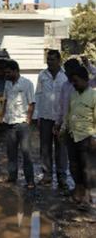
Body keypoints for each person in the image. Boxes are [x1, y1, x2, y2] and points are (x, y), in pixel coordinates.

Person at [60, 66, 96, 209]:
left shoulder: (93, 96)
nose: (74, 84)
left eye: (76, 81)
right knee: (74, 167)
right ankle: (79, 191)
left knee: (87, 169)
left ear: (86, 80)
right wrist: (63, 130)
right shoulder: (73, 95)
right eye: (72, 81)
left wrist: (94, 137)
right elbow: (68, 115)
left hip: (87, 137)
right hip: (72, 136)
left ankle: (87, 197)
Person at [35, 50, 68, 188]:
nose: (49, 62)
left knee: (61, 148)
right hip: (45, 117)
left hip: (60, 119)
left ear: (59, 60)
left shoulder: (65, 76)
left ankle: (62, 177)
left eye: (52, 59)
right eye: (48, 59)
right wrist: (37, 116)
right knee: (45, 147)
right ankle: (47, 175)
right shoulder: (42, 75)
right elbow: (38, 95)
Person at [3, 60, 35, 189]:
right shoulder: (7, 84)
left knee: (26, 153)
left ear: (15, 71)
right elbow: (5, 100)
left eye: (8, 72)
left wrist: (28, 120)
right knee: (11, 153)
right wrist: (3, 116)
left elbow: (32, 103)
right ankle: (12, 176)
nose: (6, 74)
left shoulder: (27, 83)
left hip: (22, 124)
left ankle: (30, 181)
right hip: (9, 123)